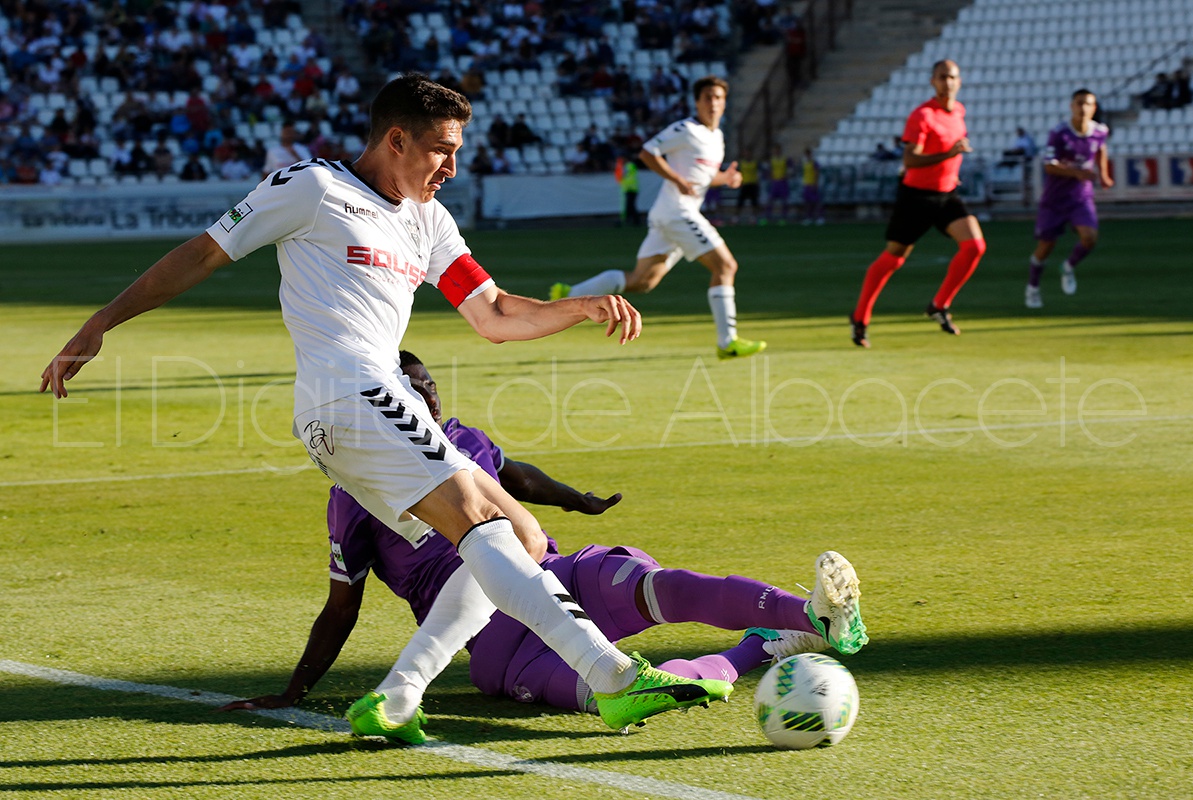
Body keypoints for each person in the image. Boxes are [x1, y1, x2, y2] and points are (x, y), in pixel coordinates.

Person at [39, 74, 730, 743]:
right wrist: (104, 320)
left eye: (457, 150)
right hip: (348, 393)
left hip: (370, 408)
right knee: (485, 518)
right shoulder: (313, 188)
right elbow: (203, 254)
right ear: (395, 139)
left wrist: (576, 307)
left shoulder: (428, 220)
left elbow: (492, 314)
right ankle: (610, 675)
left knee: (518, 538)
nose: (451, 167)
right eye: (440, 149)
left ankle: (397, 697)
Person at [216, 352, 868, 737]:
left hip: (559, 572)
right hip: (503, 647)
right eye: (412, 389)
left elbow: (512, 472)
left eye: (429, 383)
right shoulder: (357, 492)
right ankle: (762, 647)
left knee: (657, 584)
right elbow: (341, 605)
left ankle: (817, 617)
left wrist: (570, 498)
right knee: (613, 695)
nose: (427, 394)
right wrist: (294, 691)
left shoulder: (460, 438)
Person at [548, 76, 766, 360]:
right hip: (678, 212)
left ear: (725, 103)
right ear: (697, 101)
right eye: (708, 97)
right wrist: (676, 179)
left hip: (671, 214)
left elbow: (700, 178)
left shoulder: (717, 137)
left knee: (642, 281)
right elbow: (648, 151)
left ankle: (569, 292)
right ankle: (728, 343)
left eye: (719, 98)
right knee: (725, 266)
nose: (714, 103)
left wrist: (726, 178)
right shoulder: (686, 129)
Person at [849, 60, 986, 349]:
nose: (947, 82)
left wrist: (951, 167)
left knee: (975, 246)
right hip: (917, 196)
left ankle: (939, 305)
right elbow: (910, 160)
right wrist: (949, 155)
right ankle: (860, 317)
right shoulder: (922, 115)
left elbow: (952, 151)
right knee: (894, 258)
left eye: (952, 77)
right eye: (941, 77)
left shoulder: (958, 111)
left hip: (946, 194)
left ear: (959, 81)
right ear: (932, 81)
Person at [1024, 89, 1112, 310]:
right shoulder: (1060, 133)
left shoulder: (1100, 131)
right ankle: (1033, 287)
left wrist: (1104, 173)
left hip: (1080, 196)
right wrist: (1076, 172)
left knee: (1090, 237)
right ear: (1072, 106)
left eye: (1088, 104)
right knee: (1046, 246)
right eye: (1079, 103)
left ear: (1094, 108)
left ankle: (1068, 266)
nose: (1083, 108)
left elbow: (1101, 149)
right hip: (1054, 198)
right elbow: (1048, 165)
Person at [763, 143, 793, 223]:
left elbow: (790, 168)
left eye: (778, 150)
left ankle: (783, 218)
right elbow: (768, 170)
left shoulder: (784, 159)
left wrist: (787, 175)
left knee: (784, 201)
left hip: (783, 182)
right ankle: (767, 217)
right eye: (775, 150)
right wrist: (769, 175)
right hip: (775, 182)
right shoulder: (772, 160)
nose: (776, 151)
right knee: (770, 200)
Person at [734, 148, 760, 224]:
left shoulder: (755, 163)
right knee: (740, 202)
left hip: (753, 184)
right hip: (745, 184)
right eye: (746, 153)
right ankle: (736, 217)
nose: (747, 155)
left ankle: (753, 217)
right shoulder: (742, 163)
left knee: (754, 202)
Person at [799, 147, 823, 225]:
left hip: (812, 184)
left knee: (816, 202)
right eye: (806, 154)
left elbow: (817, 173)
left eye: (808, 154)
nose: (807, 156)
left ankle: (819, 217)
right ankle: (808, 217)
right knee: (807, 202)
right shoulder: (805, 163)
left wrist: (815, 183)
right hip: (806, 184)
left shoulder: (814, 162)